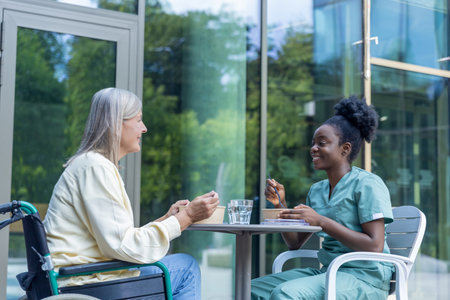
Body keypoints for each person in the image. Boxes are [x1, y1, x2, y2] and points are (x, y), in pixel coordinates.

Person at [43, 87, 219, 300]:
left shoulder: (92, 165)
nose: (144, 128)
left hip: (89, 277)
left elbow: (117, 240)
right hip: (89, 284)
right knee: (186, 267)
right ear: (116, 124)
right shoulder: (95, 168)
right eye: (138, 120)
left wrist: (167, 219)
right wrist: (187, 217)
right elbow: (124, 246)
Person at [251, 96, 394, 300]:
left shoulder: (367, 184)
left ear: (345, 149)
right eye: (313, 143)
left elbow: (375, 245)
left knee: (284, 293)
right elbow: (294, 243)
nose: (313, 148)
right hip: (328, 272)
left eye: (322, 143)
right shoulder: (317, 190)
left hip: (365, 279)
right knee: (250, 289)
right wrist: (278, 205)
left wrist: (321, 221)